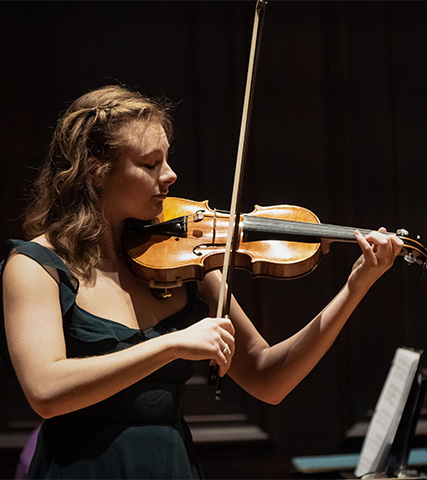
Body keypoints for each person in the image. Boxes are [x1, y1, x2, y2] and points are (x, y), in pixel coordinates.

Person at [0, 85, 404, 479]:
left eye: (167, 160)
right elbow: (45, 392)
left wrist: (355, 288)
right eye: (150, 164)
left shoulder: (182, 262)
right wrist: (171, 344)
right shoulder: (37, 267)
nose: (170, 175)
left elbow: (269, 379)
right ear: (96, 170)